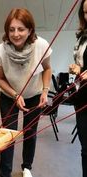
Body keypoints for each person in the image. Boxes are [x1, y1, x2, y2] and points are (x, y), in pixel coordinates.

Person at [0, 8, 52, 177]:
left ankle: (27, 167)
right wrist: (15, 95)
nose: (16, 34)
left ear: (30, 29)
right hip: (10, 96)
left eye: (21, 29)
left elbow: (47, 69)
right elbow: (0, 79)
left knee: (30, 133)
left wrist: (45, 90)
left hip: (34, 95)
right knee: (7, 136)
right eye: (11, 29)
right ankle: (5, 173)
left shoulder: (41, 45)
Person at [69, 0, 87, 176]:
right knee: (85, 149)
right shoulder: (83, 36)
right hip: (81, 96)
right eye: (86, 12)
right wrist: (77, 69)